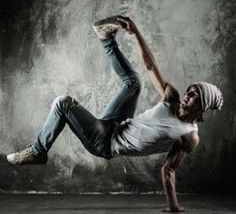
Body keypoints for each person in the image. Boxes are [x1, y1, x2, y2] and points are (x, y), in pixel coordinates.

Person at [6, 16, 223, 212]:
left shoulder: (189, 136)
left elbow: (169, 170)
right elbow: (149, 65)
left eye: (195, 95)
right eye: (190, 90)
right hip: (115, 123)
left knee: (63, 103)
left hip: (105, 143)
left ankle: (38, 151)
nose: (188, 94)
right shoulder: (172, 97)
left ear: (202, 106)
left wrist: (174, 207)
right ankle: (106, 38)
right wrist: (135, 32)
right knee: (134, 84)